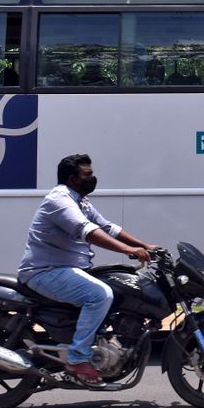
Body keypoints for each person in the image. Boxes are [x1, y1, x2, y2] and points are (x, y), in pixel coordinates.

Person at [18, 154, 155, 386]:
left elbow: (107, 226)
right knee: (99, 295)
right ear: (72, 178)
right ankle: (78, 358)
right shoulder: (59, 200)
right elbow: (87, 231)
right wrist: (127, 249)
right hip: (45, 271)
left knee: (117, 285)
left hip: (67, 269)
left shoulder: (80, 200)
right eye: (87, 175)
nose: (93, 179)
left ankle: (93, 344)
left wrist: (144, 245)